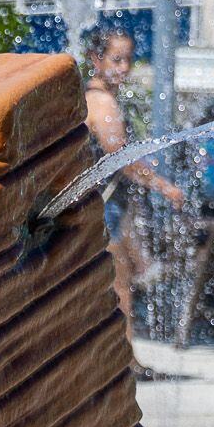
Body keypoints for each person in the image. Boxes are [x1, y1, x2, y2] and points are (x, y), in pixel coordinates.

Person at [83, 27, 186, 361]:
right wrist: (164, 186)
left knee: (120, 284)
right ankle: (124, 363)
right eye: (116, 59)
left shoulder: (97, 97)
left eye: (128, 59)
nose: (124, 67)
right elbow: (121, 158)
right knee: (119, 287)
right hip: (104, 207)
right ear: (96, 59)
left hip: (109, 206)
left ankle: (124, 360)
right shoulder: (101, 101)